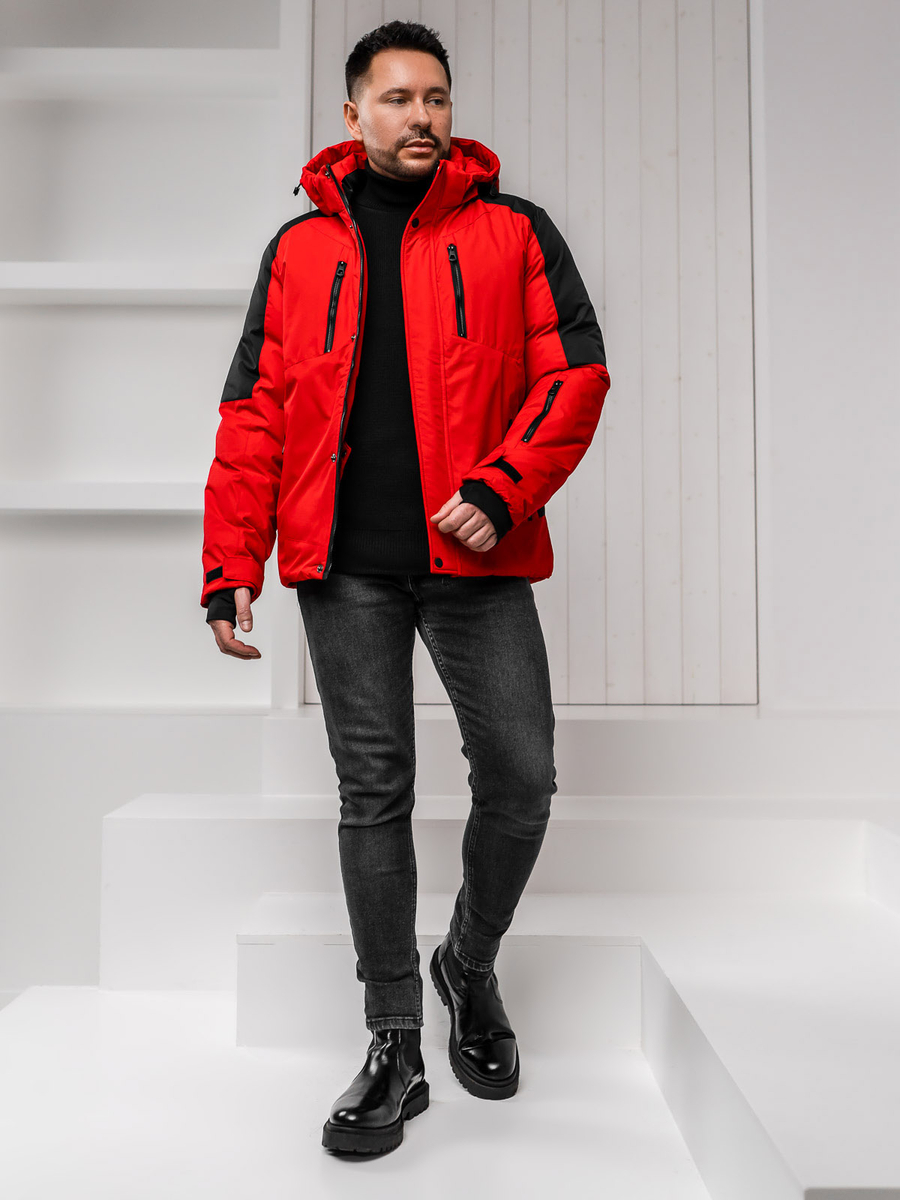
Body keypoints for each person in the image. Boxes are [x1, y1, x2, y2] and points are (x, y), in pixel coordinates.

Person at [201, 19, 610, 1157]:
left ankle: (466, 964)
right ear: (353, 116)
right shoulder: (298, 251)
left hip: (476, 559)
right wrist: (230, 562)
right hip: (344, 570)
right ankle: (394, 1041)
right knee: (372, 793)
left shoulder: (513, 231)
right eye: (396, 98)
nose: (421, 115)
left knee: (522, 777)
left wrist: (504, 486)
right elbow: (255, 412)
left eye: (436, 97)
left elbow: (576, 374)